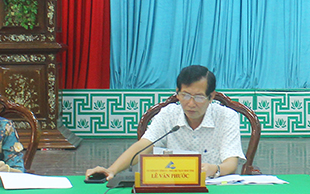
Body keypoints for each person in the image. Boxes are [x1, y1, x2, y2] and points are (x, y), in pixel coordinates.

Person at [86, 65, 245, 181]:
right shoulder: (168, 114)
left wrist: (214, 169)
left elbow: (231, 163)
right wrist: (111, 170)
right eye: (185, 95)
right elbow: (144, 145)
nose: (191, 103)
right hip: (171, 186)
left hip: (212, 187)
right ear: (177, 93)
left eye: (198, 97)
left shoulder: (227, 116)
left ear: (211, 96)